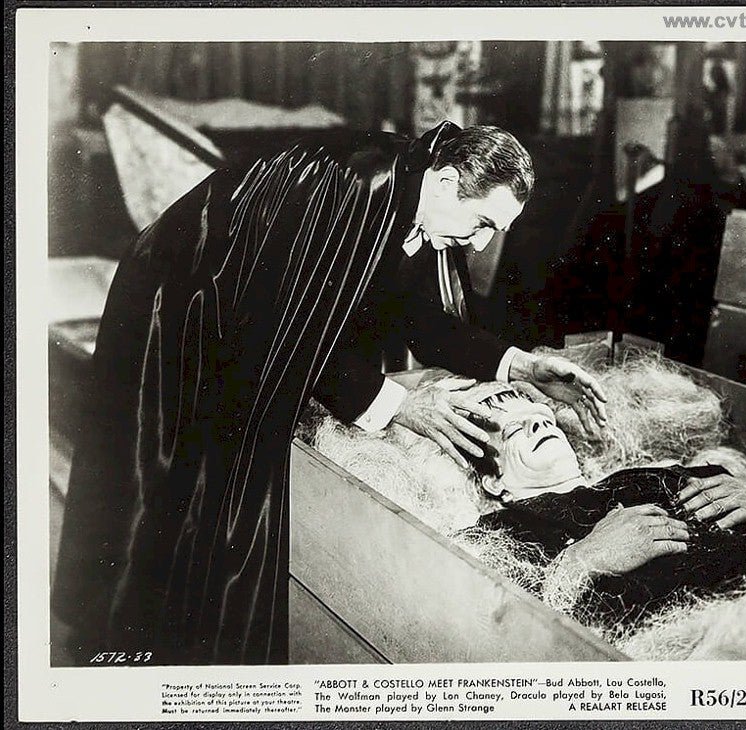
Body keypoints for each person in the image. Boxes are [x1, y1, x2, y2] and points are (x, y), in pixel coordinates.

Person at [52, 122, 610, 666]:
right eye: (483, 222)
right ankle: (127, 642)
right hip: (181, 309)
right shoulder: (353, 187)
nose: (482, 243)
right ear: (447, 182)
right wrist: (399, 404)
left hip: (243, 318)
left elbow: (416, 318)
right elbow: (288, 326)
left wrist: (520, 365)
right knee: (172, 468)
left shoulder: (421, 197)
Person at [456, 384, 746, 625]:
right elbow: (498, 633)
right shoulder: (501, 535)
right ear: (493, 481)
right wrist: (579, 562)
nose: (540, 425)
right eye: (515, 429)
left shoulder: (658, 475)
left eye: (545, 419)